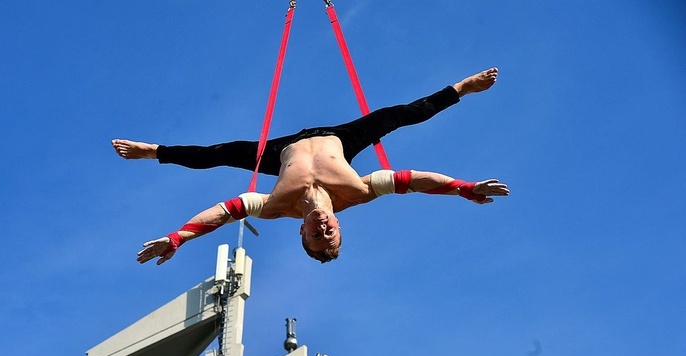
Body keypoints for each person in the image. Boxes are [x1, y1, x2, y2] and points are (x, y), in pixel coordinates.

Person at [113, 67, 509, 265]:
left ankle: (153, 151)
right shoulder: (356, 193)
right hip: (341, 140)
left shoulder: (274, 207)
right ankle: (462, 87)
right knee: (396, 115)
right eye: (331, 235)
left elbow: (221, 213)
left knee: (218, 153)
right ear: (338, 226)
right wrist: (463, 187)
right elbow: (414, 180)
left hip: (281, 153)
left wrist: (178, 237)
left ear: (302, 233)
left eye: (316, 237)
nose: (324, 229)